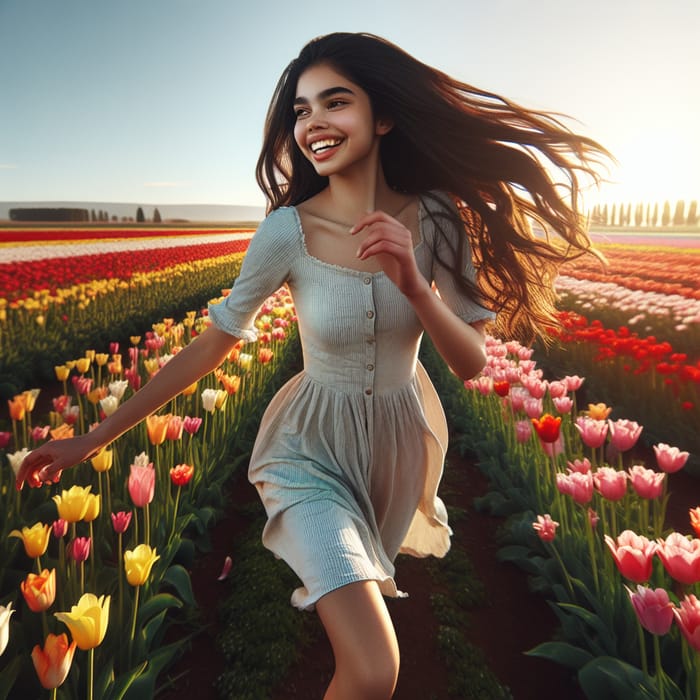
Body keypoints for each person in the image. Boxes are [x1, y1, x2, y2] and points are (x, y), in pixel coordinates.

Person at [17, 32, 608, 699]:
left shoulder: (439, 220)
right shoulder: (286, 232)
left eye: (335, 102)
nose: (313, 123)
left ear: (382, 116)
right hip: (307, 449)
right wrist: (97, 436)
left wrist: (415, 285)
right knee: (376, 667)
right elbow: (213, 343)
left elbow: (471, 362)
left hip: (395, 448)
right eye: (300, 110)